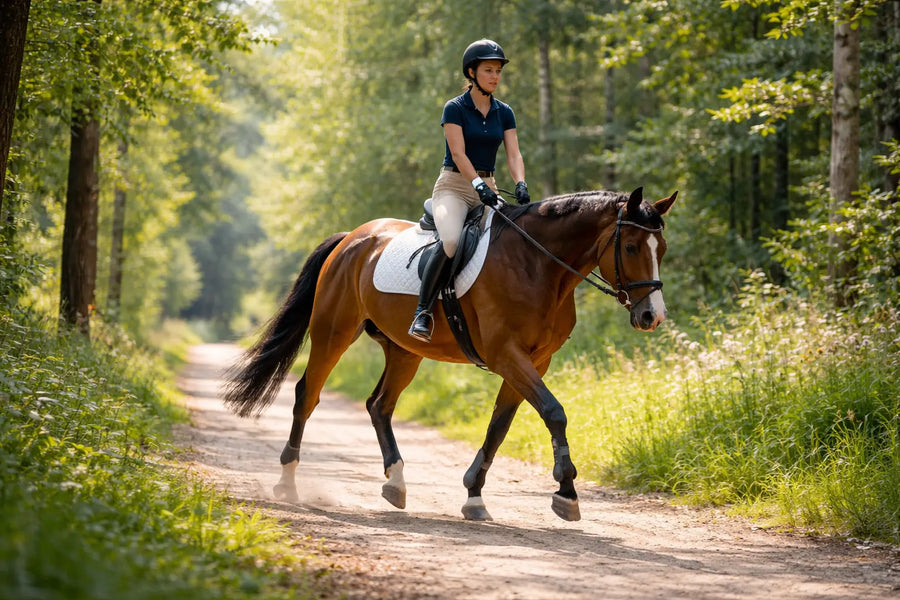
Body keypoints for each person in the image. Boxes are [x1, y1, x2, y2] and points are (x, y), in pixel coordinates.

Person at [408, 39, 531, 342]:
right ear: (472, 73)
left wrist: (520, 182)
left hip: (489, 187)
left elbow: (514, 153)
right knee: (450, 240)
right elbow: (459, 154)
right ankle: (422, 312)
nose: (495, 76)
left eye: (498, 71)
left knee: (515, 238)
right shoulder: (455, 108)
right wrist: (477, 184)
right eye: (489, 70)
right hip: (453, 187)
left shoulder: (505, 112)